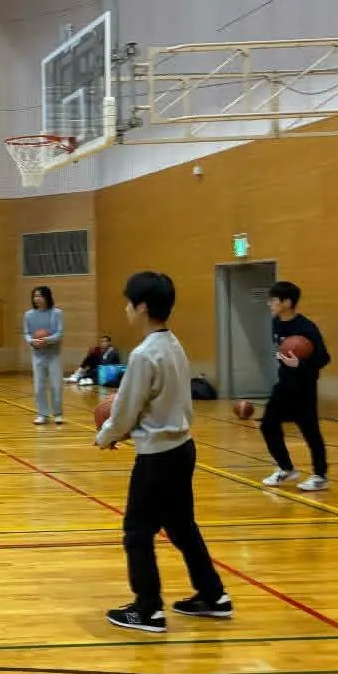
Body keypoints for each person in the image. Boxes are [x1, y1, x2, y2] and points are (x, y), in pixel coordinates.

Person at [95, 271, 231, 633]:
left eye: (129, 303)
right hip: (182, 448)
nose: (126, 309)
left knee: (137, 531)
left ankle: (148, 609)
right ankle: (213, 595)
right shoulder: (173, 344)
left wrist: (107, 435)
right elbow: (152, 404)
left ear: (142, 307)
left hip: (157, 457)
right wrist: (124, 427)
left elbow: (126, 409)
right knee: (182, 526)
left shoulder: (144, 354)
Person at [260, 281, 331, 491]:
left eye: (273, 300)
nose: (269, 303)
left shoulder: (306, 328)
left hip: (304, 387)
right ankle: (286, 468)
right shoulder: (276, 322)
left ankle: (320, 476)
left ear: (287, 302)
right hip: (284, 384)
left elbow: (324, 358)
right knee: (268, 425)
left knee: (310, 431)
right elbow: (283, 348)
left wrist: (300, 364)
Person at [24, 286, 64, 425]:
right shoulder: (28, 315)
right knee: (39, 387)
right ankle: (42, 414)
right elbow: (27, 333)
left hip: (53, 354)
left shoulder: (57, 313)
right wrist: (32, 341)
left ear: (47, 297)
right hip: (37, 355)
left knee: (56, 385)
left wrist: (46, 340)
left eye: (40, 296)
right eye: (35, 296)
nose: (37, 299)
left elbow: (59, 333)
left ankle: (58, 414)